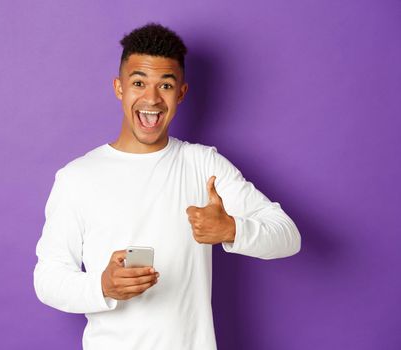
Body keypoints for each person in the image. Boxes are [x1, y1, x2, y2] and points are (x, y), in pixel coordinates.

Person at [33, 22, 301, 350]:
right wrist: (102, 286)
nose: (151, 98)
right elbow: (46, 279)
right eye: (138, 82)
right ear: (119, 88)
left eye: (166, 85)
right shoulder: (77, 177)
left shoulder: (204, 165)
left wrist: (231, 229)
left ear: (181, 93)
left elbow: (288, 236)